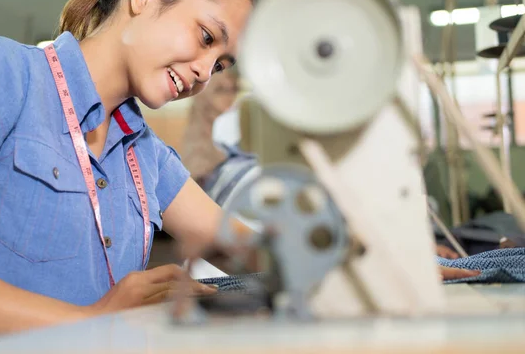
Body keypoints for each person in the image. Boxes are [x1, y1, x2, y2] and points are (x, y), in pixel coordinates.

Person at [0, 0, 256, 348]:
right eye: (205, 37)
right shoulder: (1, 73)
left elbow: (259, 254)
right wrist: (88, 323)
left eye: (220, 65)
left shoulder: (148, 157)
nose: (204, 72)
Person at [181, 70, 482, 266]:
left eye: (233, 88)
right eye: (221, 89)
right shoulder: (219, 162)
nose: (230, 95)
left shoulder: (250, 146)